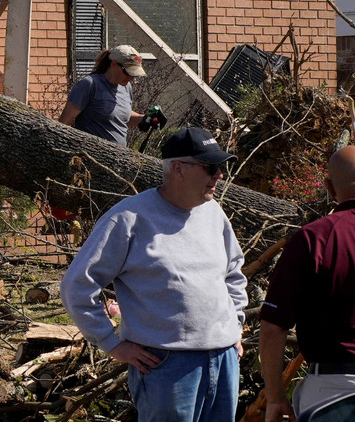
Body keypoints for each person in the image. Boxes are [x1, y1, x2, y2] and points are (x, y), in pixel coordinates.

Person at [59, 127, 247, 422]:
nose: (219, 175)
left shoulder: (214, 213)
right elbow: (77, 286)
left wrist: (235, 325)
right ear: (178, 169)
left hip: (224, 359)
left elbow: (233, 273)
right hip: (166, 366)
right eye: (211, 167)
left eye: (222, 167)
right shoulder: (128, 219)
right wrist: (112, 344)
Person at [259, 146, 355, 422]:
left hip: (334, 392)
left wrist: (275, 397)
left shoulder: (316, 238)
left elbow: (272, 327)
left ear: (329, 187)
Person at [57, 45, 156, 147]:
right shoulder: (89, 85)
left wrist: (145, 119)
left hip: (119, 158)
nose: (131, 78)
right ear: (114, 65)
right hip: (90, 157)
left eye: (134, 74)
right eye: (128, 73)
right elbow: (63, 124)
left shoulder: (126, 87)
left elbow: (119, 117)